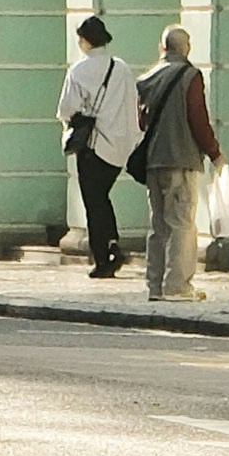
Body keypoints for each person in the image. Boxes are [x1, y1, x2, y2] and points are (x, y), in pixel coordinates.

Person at [134, 20, 221, 304]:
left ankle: (155, 285)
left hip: (153, 162)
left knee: (158, 225)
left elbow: (142, 121)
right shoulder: (189, 76)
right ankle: (178, 285)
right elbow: (198, 119)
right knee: (182, 223)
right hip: (181, 159)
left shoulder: (147, 79)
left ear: (162, 48)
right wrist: (214, 152)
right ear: (187, 48)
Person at [57, 14, 135, 278]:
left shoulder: (79, 70)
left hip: (92, 145)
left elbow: (67, 109)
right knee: (102, 196)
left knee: (94, 201)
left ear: (85, 40)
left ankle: (103, 257)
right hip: (118, 145)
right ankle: (112, 243)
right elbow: (131, 105)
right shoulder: (121, 67)